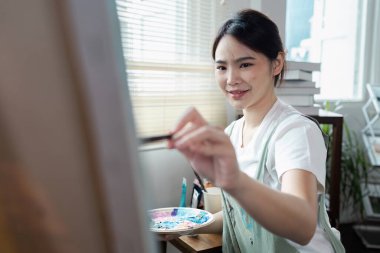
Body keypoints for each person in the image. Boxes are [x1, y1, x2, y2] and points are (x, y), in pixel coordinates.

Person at [168, 9, 345, 253]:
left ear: (277, 64)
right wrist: (188, 225)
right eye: (221, 67)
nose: (231, 79)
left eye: (245, 64)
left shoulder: (295, 131)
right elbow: (240, 216)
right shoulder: (231, 133)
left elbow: (304, 225)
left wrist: (234, 181)